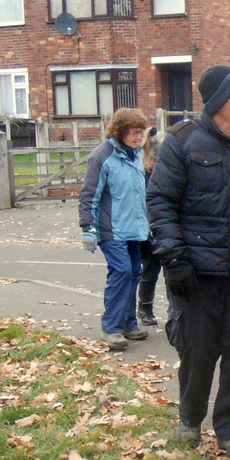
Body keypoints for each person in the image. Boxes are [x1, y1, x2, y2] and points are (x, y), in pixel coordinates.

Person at [147, 65, 230, 460]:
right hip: (197, 274)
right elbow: (160, 202)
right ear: (219, 101)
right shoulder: (182, 142)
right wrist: (175, 260)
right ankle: (189, 419)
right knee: (197, 352)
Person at [79, 108, 153, 351]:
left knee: (133, 273)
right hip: (110, 228)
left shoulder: (134, 156)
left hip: (133, 228)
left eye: (141, 133)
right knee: (121, 271)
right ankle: (111, 328)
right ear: (119, 131)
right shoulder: (102, 156)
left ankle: (128, 323)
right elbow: (90, 194)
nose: (138, 137)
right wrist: (88, 227)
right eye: (133, 132)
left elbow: (138, 194)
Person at [136, 128, 170, 327]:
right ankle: (145, 307)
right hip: (149, 228)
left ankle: (171, 310)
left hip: (164, 227)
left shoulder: (167, 170)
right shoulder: (145, 173)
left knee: (168, 271)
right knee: (150, 270)